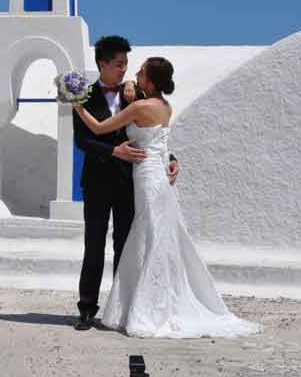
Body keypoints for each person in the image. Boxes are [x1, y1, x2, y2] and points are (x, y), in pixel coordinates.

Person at [73, 57, 261, 337]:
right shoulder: (165, 106)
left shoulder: (139, 106)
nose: (134, 73)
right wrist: (172, 160)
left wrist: (76, 105)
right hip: (158, 176)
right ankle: (146, 303)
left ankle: (148, 307)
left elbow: (100, 129)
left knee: (146, 238)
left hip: (145, 178)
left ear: (150, 80)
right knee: (155, 237)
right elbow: (160, 144)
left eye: (140, 72)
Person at [72, 36, 179, 330]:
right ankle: (86, 308)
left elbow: (154, 134)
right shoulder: (81, 96)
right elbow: (82, 140)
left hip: (129, 181)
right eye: (118, 64)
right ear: (102, 64)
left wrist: (171, 158)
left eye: (127, 64)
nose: (124, 69)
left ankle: (122, 308)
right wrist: (113, 151)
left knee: (126, 245)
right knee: (94, 246)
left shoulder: (137, 93)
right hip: (96, 182)